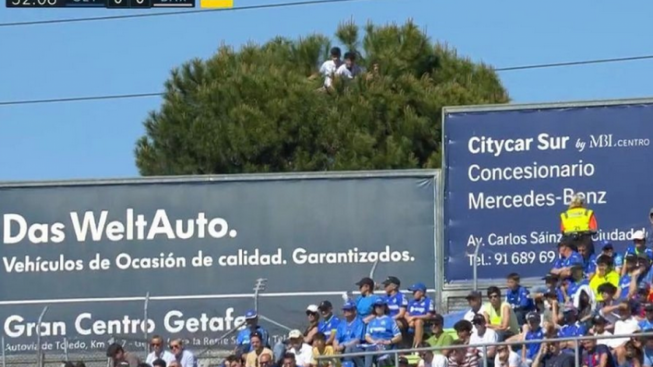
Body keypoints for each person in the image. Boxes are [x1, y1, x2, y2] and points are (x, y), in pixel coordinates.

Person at [363, 298, 402, 367]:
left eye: (380, 306)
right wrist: (374, 342)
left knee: (381, 354)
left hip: (386, 345)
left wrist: (388, 341)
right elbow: (367, 336)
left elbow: (399, 336)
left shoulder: (390, 321)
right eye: (376, 306)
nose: (378, 308)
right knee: (368, 350)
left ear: (384, 307)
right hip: (374, 345)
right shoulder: (371, 322)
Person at [333, 301, 365, 367]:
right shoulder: (341, 324)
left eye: (348, 309)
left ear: (354, 311)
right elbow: (336, 339)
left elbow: (357, 340)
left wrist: (344, 345)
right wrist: (336, 346)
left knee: (349, 349)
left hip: (355, 347)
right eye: (344, 310)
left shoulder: (359, 322)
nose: (345, 311)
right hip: (341, 347)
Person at [406, 282, 436, 348]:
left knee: (418, 322)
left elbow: (429, 316)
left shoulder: (429, 301)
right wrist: (409, 320)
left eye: (415, 292)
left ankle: (417, 345)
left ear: (421, 293)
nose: (413, 294)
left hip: (424, 323)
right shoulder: (411, 301)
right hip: (411, 323)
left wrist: (414, 317)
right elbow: (406, 314)